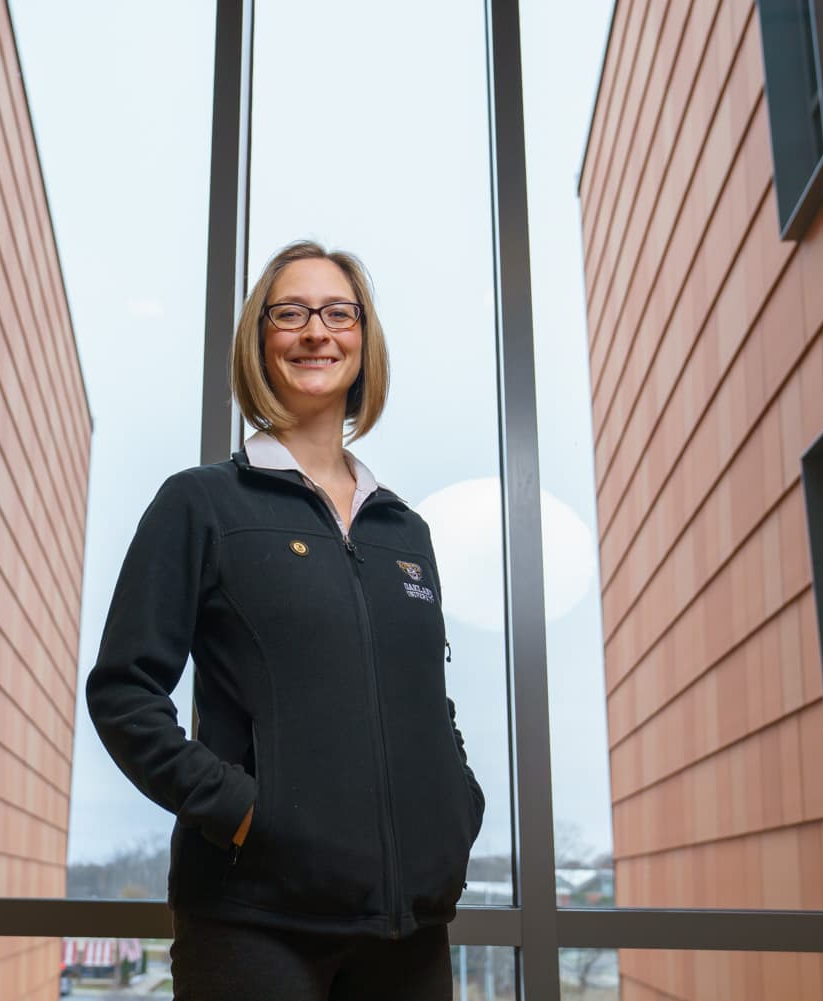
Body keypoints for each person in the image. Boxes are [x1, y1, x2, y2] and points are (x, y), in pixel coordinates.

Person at [86, 240, 485, 1000]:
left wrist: (454, 809)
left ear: (364, 342)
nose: (316, 332)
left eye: (339, 313)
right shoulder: (200, 504)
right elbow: (123, 693)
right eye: (290, 313)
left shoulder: (404, 531)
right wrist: (242, 813)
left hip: (408, 933)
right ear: (259, 341)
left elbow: (428, 702)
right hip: (252, 926)